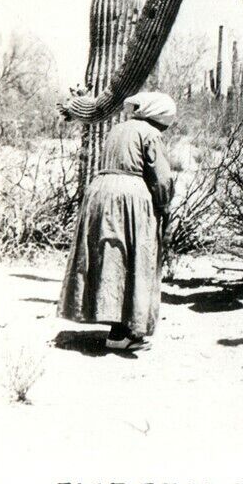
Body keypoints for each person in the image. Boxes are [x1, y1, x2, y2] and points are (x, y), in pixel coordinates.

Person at [59, 91, 176, 353]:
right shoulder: (150, 133)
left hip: (99, 192)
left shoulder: (118, 128)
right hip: (130, 197)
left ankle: (112, 325)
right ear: (159, 117)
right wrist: (164, 206)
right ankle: (124, 333)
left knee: (108, 257)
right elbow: (162, 178)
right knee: (134, 259)